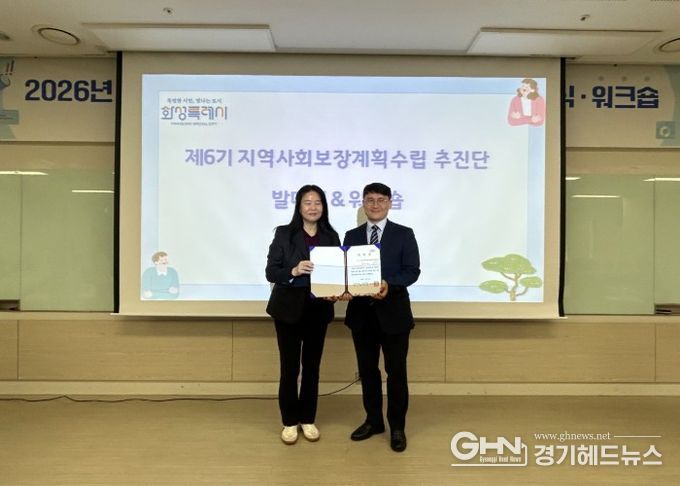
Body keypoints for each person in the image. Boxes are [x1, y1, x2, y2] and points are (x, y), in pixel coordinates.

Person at [343, 182, 420, 452]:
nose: (375, 205)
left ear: (389, 203)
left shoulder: (404, 234)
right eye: (370, 200)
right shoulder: (351, 236)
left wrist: (389, 284)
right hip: (361, 316)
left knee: (396, 373)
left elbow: (412, 271)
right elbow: (346, 272)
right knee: (368, 372)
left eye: (380, 200)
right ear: (363, 203)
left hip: (394, 316)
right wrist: (342, 287)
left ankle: (397, 427)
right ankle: (373, 421)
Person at [265, 184, 341, 445]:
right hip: (287, 310)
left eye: (318, 202)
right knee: (289, 368)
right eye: (307, 202)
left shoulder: (331, 236)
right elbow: (271, 271)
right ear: (299, 207)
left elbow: (336, 274)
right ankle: (289, 421)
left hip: (318, 310)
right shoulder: (284, 234)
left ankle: (308, 419)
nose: (313, 207)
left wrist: (336, 291)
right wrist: (294, 270)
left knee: (312, 368)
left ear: (324, 207)